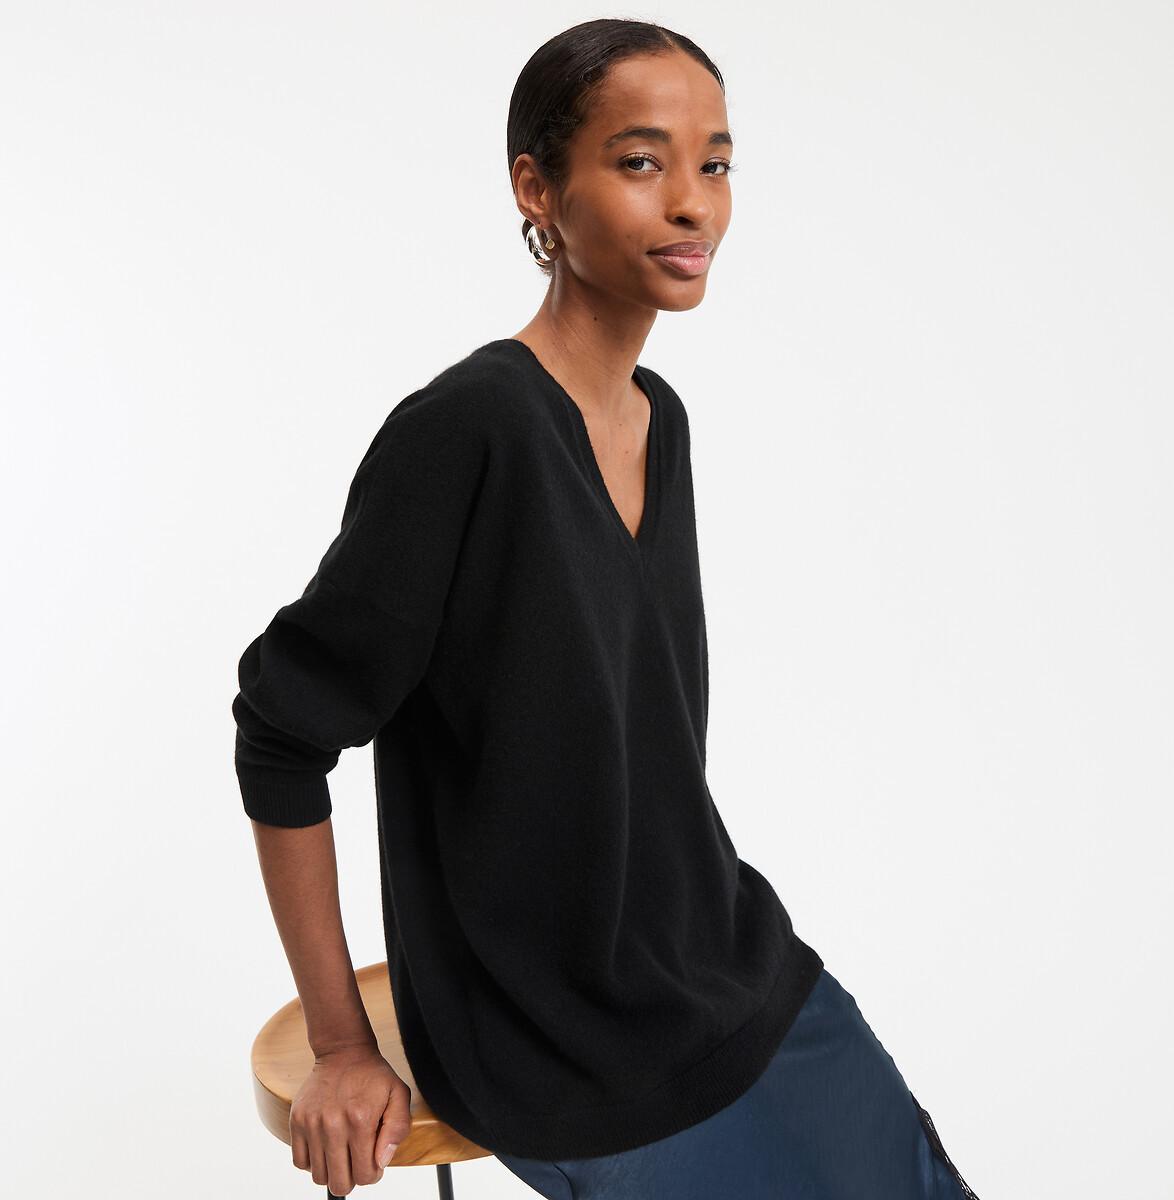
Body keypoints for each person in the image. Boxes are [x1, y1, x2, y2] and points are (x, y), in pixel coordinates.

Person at [231, 17, 982, 1200]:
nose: (692, 203)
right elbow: (281, 733)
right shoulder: (471, 431)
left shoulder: (656, 417)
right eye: (641, 162)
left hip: (725, 962)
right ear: (537, 187)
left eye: (715, 164)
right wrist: (340, 1046)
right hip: (555, 1040)